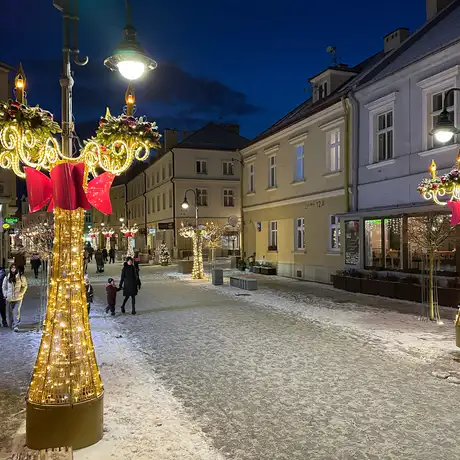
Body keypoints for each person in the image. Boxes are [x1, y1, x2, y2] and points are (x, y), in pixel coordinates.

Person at [2, 264, 28, 332]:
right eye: (12, 268)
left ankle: (16, 325)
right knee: (10, 312)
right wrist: (5, 294)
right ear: (10, 269)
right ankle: (11, 324)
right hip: (9, 298)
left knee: (16, 311)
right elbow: (4, 287)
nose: (13, 269)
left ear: (16, 269)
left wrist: (21, 293)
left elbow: (24, 286)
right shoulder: (7, 277)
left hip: (18, 298)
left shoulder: (21, 277)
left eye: (14, 268)